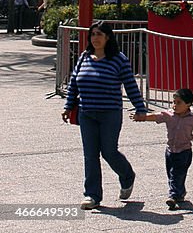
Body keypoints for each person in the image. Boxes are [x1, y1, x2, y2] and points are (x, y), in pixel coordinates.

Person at [61, 20, 148, 210]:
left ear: (108, 37)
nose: (95, 38)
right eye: (93, 34)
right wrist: (68, 106)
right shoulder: (84, 57)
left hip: (110, 113)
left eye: (99, 34)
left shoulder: (119, 59)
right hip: (86, 113)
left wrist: (140, 108)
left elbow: (131, 86)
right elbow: (73, 83)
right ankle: (92, 195)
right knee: (90, 155)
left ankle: (127, 175)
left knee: (109, 151)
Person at [133, 88, 193, 208]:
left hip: (184, 152)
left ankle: (173, 197)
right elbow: (155, 116)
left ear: (188, 104)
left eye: (179, 103)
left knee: (176, 173)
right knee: (172, 174)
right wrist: (142, 117)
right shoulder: (169, 115)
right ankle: (180, 193)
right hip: (170, 151)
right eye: (173, 102)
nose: (175, 105)